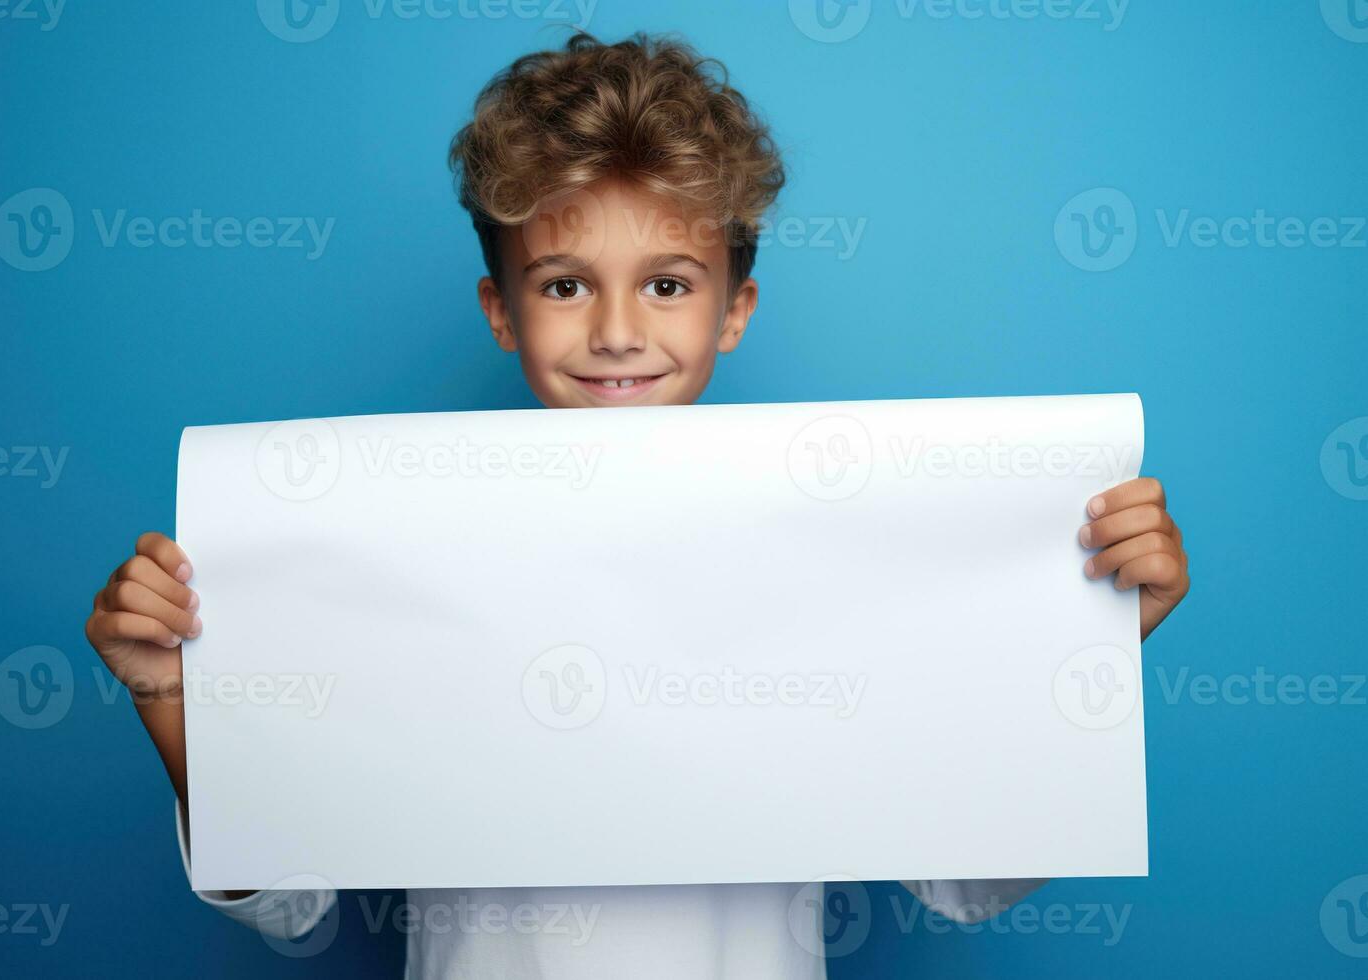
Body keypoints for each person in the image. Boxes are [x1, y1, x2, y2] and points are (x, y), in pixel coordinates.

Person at [84, 31, 1190, 979]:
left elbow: (963, 876)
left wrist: (1089, 642)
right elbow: (289, 898)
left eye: (667, 282)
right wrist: (182, 707)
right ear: (503, 310)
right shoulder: (390, 538)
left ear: (735, 308)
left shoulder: (833, 534)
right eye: (565, 284)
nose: (617, 329)